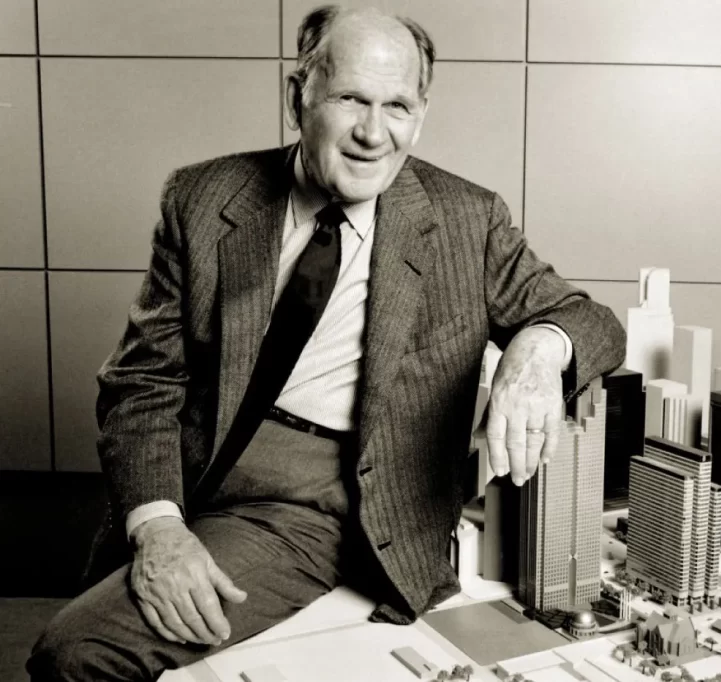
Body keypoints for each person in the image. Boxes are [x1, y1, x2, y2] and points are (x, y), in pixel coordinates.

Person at [28, 6, 625, 682]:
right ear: (297, 97)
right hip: (197, 469)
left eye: (398, 105)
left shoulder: (468, 220)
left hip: (313, 504)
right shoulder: (202, 198)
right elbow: (143, 382)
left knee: (76, 651)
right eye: (351, 99)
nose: (374, 133)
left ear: (421, 116)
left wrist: (539, 348)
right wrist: (159, 524)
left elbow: (593, 323)